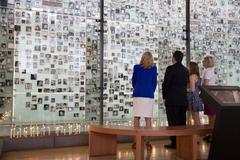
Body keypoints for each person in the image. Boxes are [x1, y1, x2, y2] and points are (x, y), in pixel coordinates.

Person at [162, 50, 189, 149]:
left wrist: (164, 96)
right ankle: (181, 142)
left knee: (173, 122)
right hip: (183, 99)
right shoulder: (186, 70)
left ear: (174, 58)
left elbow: (166, 84)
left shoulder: (170, 68)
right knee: (182, 122)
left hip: (172, 99)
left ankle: (174, 143)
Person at [132, 51, 157, 150]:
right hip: (148, 94)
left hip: (138, 94)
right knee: (148, 119)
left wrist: (138, 88)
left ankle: (136, 142)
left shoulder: (136, 68)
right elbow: (154, 83)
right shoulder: (154, 69)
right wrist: (149, 90)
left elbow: (133, 81)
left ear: (142, 58)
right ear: (151, 59)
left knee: (136, 118)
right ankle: (148, 142)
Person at [202, 56, 216, 142]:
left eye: (204, 61)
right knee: (210, 116)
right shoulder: (210, 70)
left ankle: (212, 134)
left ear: (207, 62)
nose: (202, 62)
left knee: (211, 116)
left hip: (209, 95)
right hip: (210, 94)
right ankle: (210, 133)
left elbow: (206, 84)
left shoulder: (208, 71)